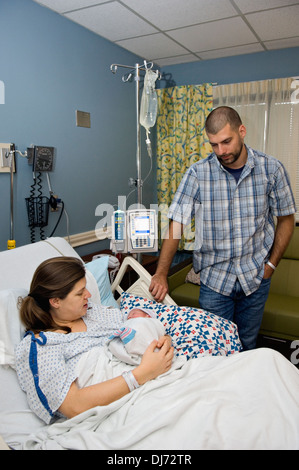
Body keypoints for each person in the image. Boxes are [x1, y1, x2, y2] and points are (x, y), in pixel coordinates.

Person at [149, 106, 296, 350]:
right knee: (215, 350)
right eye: (214, 144)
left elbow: (286, 219)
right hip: (215, 282)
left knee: (247, 346)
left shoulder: (272, 169)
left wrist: (270, 266)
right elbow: (177, 223)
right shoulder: (198, 173)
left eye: (226, 142)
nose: (221, 151)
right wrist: (161, 272)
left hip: (255, 279)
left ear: (242, 131)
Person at [15, 257, 173, 424]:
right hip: (127, 402)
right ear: (55, 301)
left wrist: (163, 341)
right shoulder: (42, 346)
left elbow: (136, 330)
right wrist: (142, 373)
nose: (89, 295)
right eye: (80, 292)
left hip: (156, 376)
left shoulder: (91, 312)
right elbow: (73, 406)